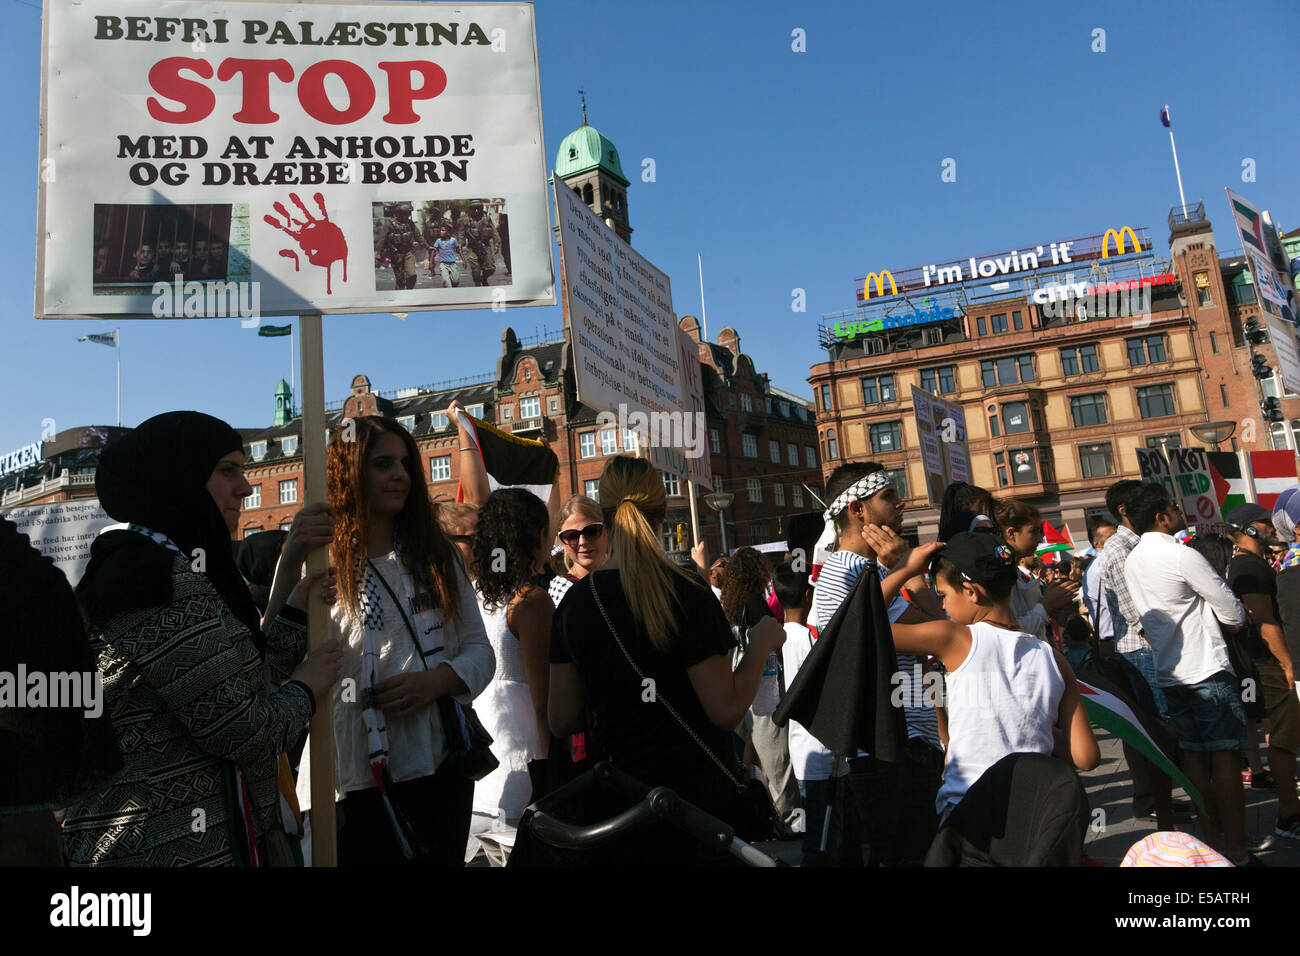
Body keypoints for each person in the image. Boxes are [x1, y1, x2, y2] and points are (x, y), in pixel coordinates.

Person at [65, 412, 342, 866]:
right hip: (161, 849)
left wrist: (292, 615)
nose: (247, 488)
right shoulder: (152, 579)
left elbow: (233, 684)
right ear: (180, 476)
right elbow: (245, 731)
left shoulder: (172, 566)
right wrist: (309, 686)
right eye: (227, 471)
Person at [547, 456, 786, 865]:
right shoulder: (688, 591)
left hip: (618, 803)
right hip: (695, 806)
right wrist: (761, 643)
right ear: (663, 512)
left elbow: (563, 719)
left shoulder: (576, 602)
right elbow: (726, 710)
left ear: (603, 516)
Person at [297, 415, 495, 867]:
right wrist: (291, 559)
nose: (400, 475)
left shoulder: (437, 553)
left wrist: (437, 682)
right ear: (350, 472)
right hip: (346, 777)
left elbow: (480, 651)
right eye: (383, 464)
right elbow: (275, 658)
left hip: (437, 769)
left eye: (406, 463)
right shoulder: (318, 560)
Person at [881, 533, 1099, 823]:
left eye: (943, 595)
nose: (942, 607)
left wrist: (905, 569)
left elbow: (864, 625)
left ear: (971, 591)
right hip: (1036, 815)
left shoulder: (953, 638)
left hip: (970, 812)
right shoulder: (1053, 658)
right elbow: (1086, 757)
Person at [809, 462, 946, 866]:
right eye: (887, 496)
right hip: (887, 749)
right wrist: (908, 572)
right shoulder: (844, 571)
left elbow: (934, 635)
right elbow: (939, 632)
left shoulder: (869, 571)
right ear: (857, 510)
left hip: (906, 744)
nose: (900, 503)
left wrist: (906, 575)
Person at [1123, 483, 1252, 864]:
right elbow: (1231, 610)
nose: (1181, 511)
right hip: (1206, 668)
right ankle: (1237, 848)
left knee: (1195, 756)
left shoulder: (1134, 559)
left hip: (1169, 672)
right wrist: (1239, 620)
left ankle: (1210, 842)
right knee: (1226, 756)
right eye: (1173, 507)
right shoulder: (1181, 555)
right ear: (1161, 517)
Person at [467, 489, 554, 846]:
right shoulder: (531, 601)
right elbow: (543, 701)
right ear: (534, 536)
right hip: (523, 765)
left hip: (480, 770)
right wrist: (552, 772)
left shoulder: (473, 593)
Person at [1224, 503, 1300, 839]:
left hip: (1266, 662)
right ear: (1248, 528)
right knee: (1284, 739)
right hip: (1269, 663)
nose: (1272, 526)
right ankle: (1289, 814)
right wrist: (1288, 664)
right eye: (1264, 522)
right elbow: (1264, 620)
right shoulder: (1249, 569)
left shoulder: (1250, 564)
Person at [775, 561, 857, 866]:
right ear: (808, 596)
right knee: (822, 842)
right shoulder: (807, 641)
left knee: (827, 835)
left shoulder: (780, 637)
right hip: (821, 752)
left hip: (807, 753)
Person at [721, 548, 802, 830]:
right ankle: (790, 822)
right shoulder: (756, 601)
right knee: (778, 760)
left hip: (743, 689)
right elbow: (775, 639)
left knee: (756, 759)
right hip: (765, 691)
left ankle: (762, 817)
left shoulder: (731, 605)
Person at [993, 499, 1078, 642]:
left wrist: (1050, 607)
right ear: (1011, 533)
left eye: (1041, 532)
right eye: (1034, 531)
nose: (1040, 539)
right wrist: (1046, 605)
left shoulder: (1014, 571)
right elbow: (1011, 633)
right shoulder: (999, 575)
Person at [549, 494, 606, 607]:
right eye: (571, 536)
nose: (582, 542)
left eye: (591, 531)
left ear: (606, 530)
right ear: (562, 541)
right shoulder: (563, 589)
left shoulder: (626, 579)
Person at [382, 203, 420, 290]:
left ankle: (409, 291)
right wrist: (379, 253)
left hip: (408, 253)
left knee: (412, 275)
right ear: (398, 214)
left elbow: (418, 236)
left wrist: (427, 246)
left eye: (407, 215)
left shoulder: (410, 224)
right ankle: (400, 294)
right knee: (400, 280)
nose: (407, 217)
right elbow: (382, 239)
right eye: (405, 214)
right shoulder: (389, 224)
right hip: (396, 255)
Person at [429, 222, 464, 288]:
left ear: (448, 232)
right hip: (443, 264)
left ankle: (450, 288)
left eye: (443, 230)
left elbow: (459, 250)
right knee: (446, 281)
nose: (440, 232)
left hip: (453, 264)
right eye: (440, 230)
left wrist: (464, 260)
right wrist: (431, 262)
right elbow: (433, 251)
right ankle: (448, 291)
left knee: (455, 281)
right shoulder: (438, 241)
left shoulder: (453, 240)